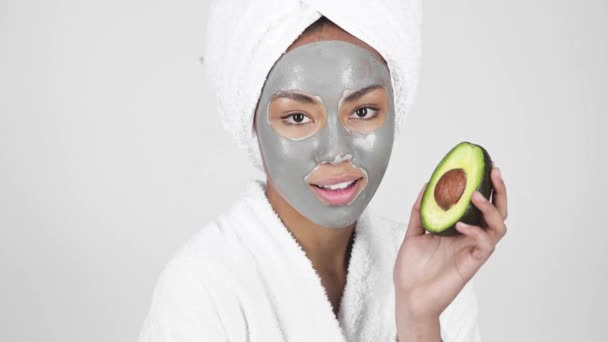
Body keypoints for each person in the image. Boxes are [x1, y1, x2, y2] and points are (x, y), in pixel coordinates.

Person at [138, 1, 509, 341]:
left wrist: (417, 319)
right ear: (250, 124)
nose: (336, 151)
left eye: (363, 111)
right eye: (297, 117)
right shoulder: (202, 288)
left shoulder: (433, 271)